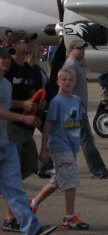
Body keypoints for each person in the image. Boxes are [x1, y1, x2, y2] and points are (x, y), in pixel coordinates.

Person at [0, 46, 58, 235]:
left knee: (15, 189)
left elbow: (6, 114)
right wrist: (23, 119)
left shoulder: (7, 85)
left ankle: (33, 229)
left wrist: (9, 136)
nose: (5, 60)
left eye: (7, 57)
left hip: (6, 144)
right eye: (1, 58)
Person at [31, 69, 90, 230]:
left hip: (71, 147)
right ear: (58, 82)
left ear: (75, 83)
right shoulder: (56, 102)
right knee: (71, 181)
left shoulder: (76, 100)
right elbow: (48, 125)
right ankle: (69, 217)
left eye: (71, 80)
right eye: (64, 79)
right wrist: (44, 149)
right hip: (59, 146)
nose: (67, 82)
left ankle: (33, 203)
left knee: (57, 180)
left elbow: (79, 121)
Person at [3, 31, 47, 231]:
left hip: (19, 130)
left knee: (28, 169)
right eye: (25, 41)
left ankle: (25, 223)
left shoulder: (31, 70)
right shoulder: (6, 73)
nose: (30, 44)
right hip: (12, 127)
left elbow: (35, 93)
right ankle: (13, 217)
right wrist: (23, 108)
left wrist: (38, 103)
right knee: (12, 184)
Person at [62, 40, 108, 180]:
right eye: (80, 48)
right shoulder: (71, 65)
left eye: (84, 48)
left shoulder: (77, 65)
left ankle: (45, 166)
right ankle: (98, 170)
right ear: (72, 49)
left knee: (69, 141)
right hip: (76, 110)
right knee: (86, 141)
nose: (83, 50)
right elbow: (65, 87)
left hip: (77, 109)